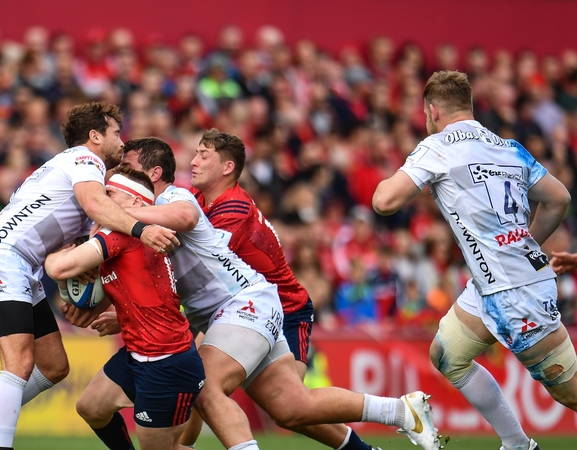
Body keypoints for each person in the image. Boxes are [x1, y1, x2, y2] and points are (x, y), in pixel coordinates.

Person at [73, 136, 442, 450]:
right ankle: (400, 411)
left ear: (153, 174)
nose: (114, 176)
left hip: (244, 304)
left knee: (204, 386)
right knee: (291, 407)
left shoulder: (174, 198)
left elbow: (184, 221)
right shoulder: (155, 214)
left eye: (126, 167)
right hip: (241, 308)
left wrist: (116, 218)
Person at [0, 101, 179, 450]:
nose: (122, 141)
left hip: (21, 267)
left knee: (53, 365)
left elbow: (74, 246)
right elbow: (96, 208)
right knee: (19, 363)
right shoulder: (85, 161)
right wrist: (142, 229)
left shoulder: (77, 172)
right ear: (95, 136)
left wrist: (77, 294)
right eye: (116, 133)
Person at [373, 70, 577, 450]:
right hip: (495, 282)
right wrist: (525, 245)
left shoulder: (437, 147)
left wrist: (405, 165)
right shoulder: (508, 147)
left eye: (427, 114)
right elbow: (559, 198)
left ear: (433, 111)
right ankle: (518, 445)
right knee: (448, 354)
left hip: (517, 291)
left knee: (570, 392)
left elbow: (384, 201)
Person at [186, 129, 377, 449]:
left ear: (227, 167)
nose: (193, 161)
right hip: (243, 305)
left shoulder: (232, 208)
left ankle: (398, 412)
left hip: (283, 308)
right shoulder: (201, 198)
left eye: (203, 155)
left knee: (292, 407)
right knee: (207, 383)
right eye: (195, 153)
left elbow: (202, 269)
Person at [44, 166, 205, 450]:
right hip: (140, 352)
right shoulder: (135, 235)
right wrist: (121, 316)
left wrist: (57, 253)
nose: (101, 200)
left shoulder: (120, 234)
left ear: (136, 201)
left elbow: (58, 268)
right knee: (91, 407)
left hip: (165, 361)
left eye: (110, 194)